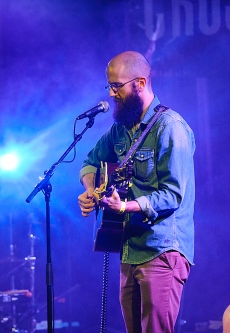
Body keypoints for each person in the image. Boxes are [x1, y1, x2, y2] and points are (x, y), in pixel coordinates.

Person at [77, 51, 195, 333]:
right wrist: (92, 191)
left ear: (140, 83)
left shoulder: (170, 127)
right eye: (108, 85)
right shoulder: (120, 130)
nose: (111, 93)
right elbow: (89, 162)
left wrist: (125, 207)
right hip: (129, 249)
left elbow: (173, 194)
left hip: (161, 249)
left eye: (116, 86)